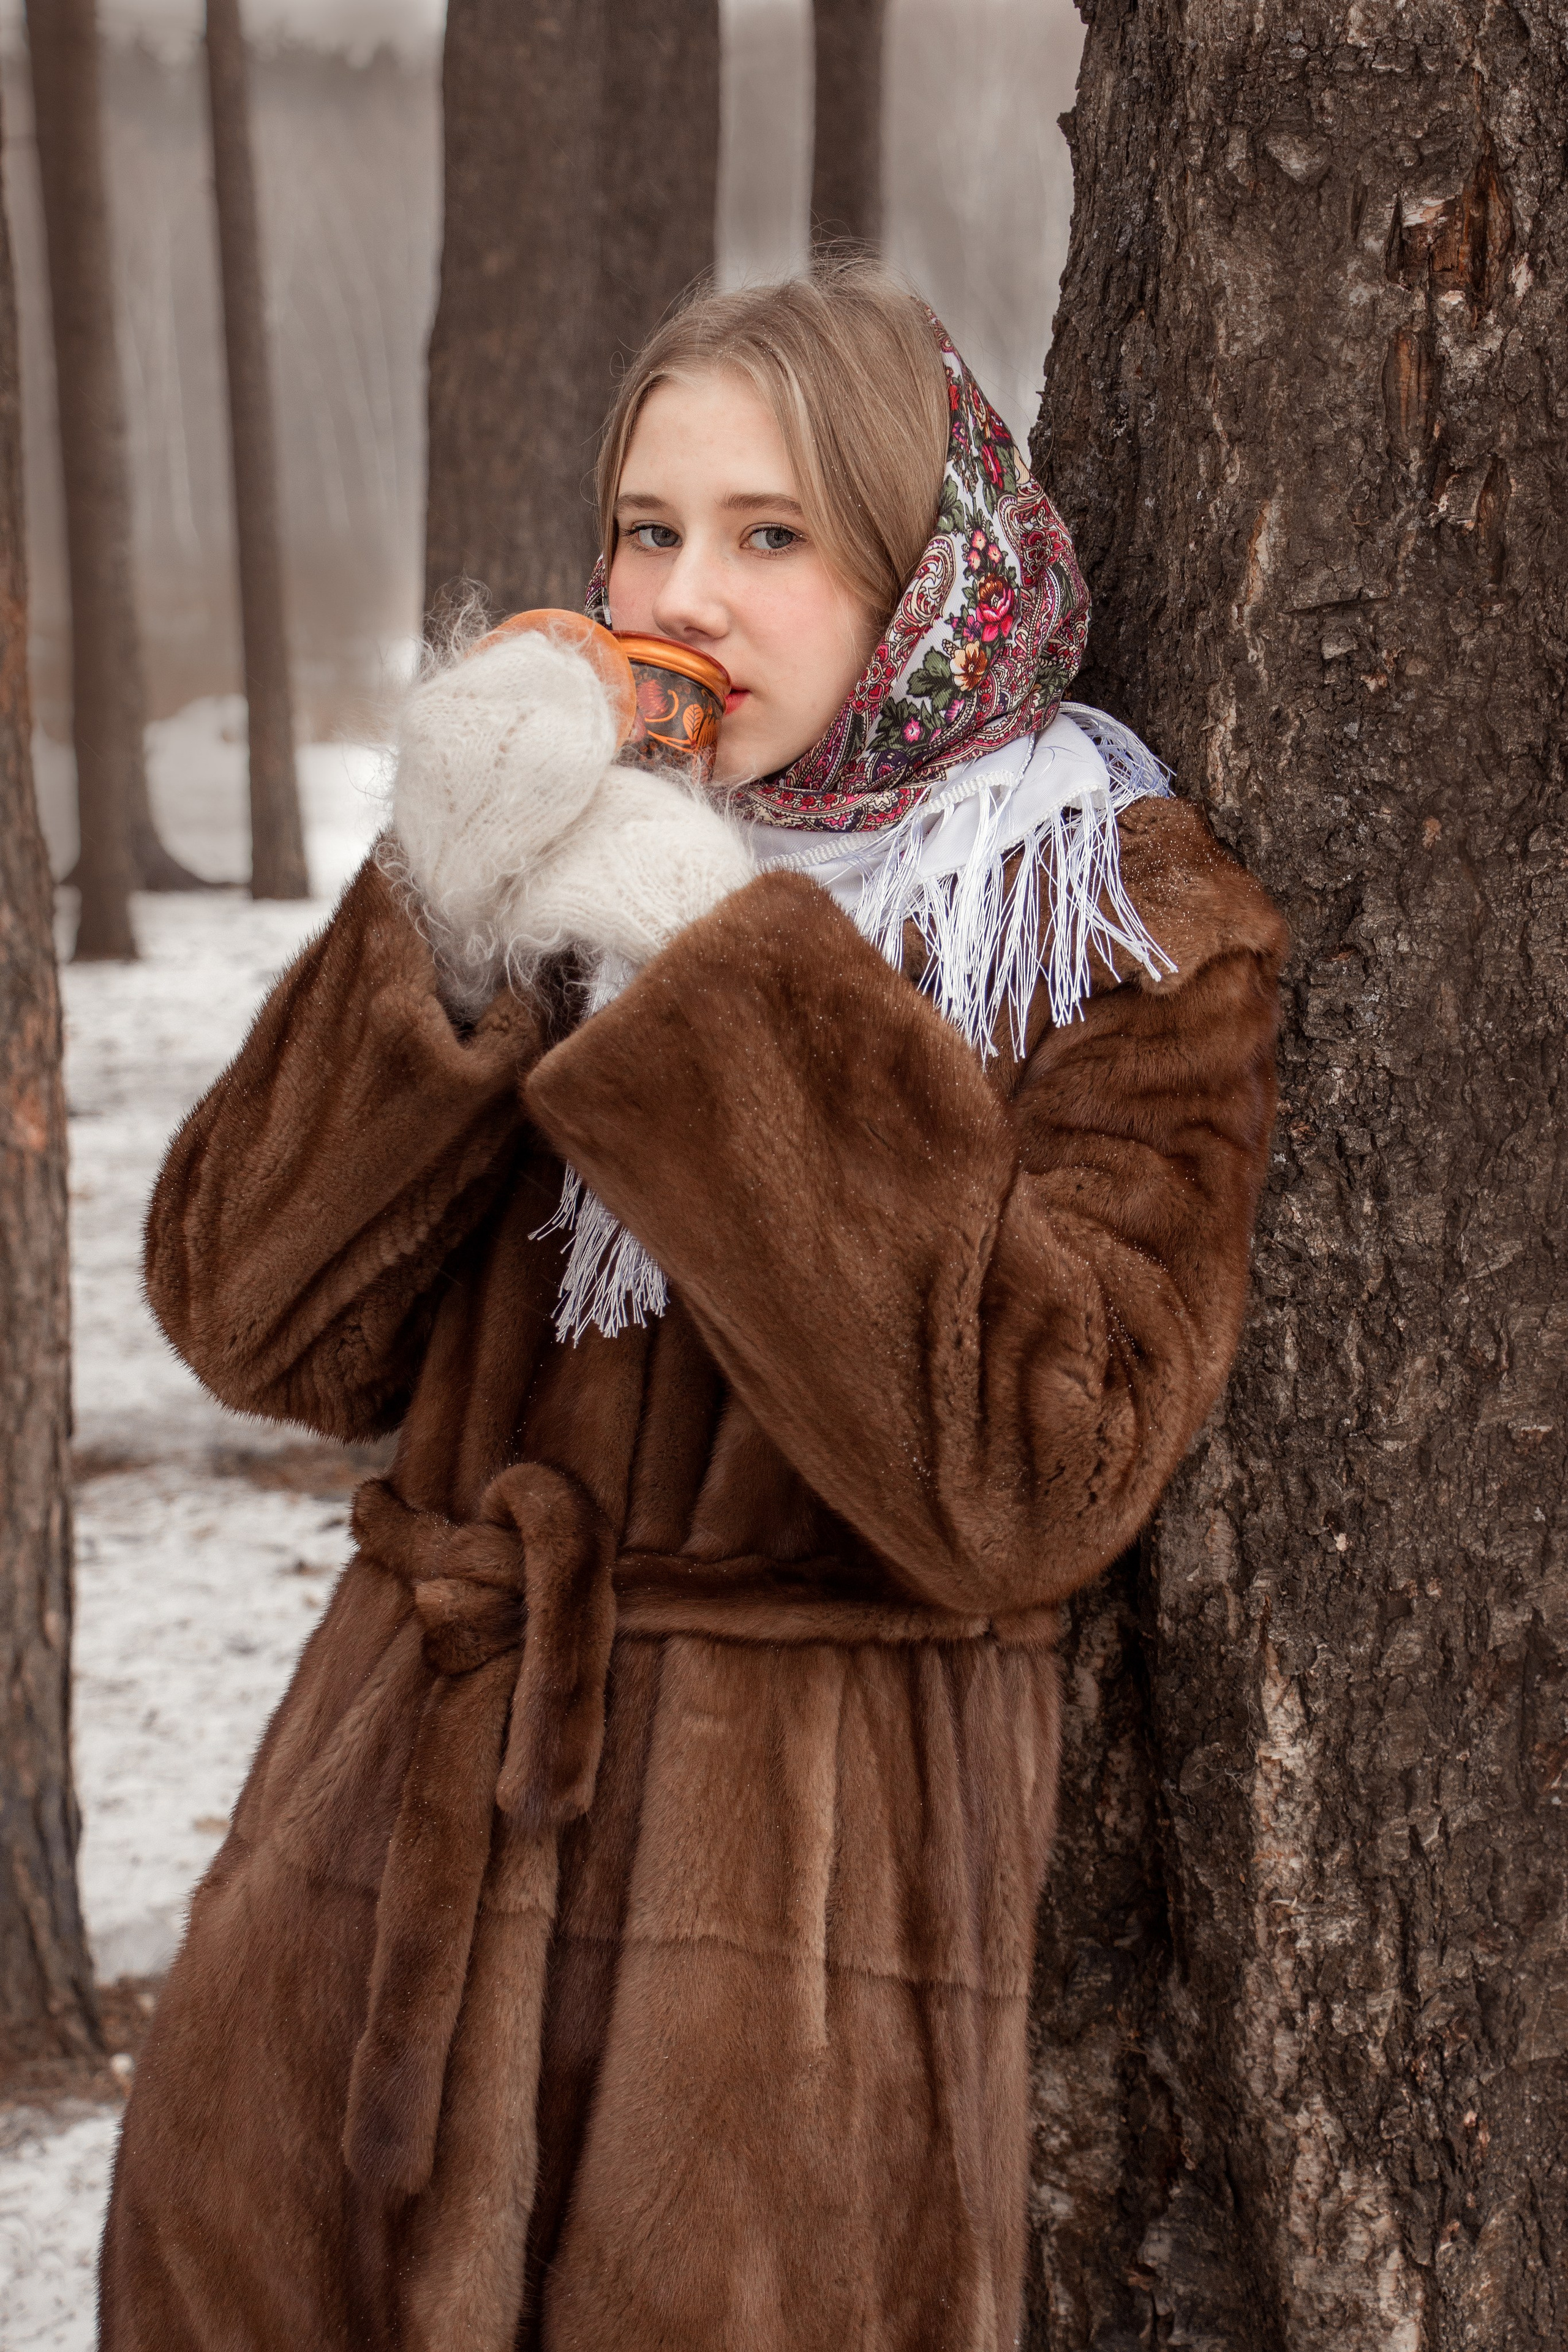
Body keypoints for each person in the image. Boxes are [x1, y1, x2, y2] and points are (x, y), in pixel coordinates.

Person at [100, 265, 1286, 2351]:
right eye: (650, 528)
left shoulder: (1100, 906)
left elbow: (1033, 1474)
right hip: (375, 1904)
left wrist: (719, 977)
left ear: (923, 575)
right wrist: (445, 921)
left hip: (784, 1984)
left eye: (771, 535)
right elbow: (247, 1318)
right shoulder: (563, 865)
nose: (691, 598)